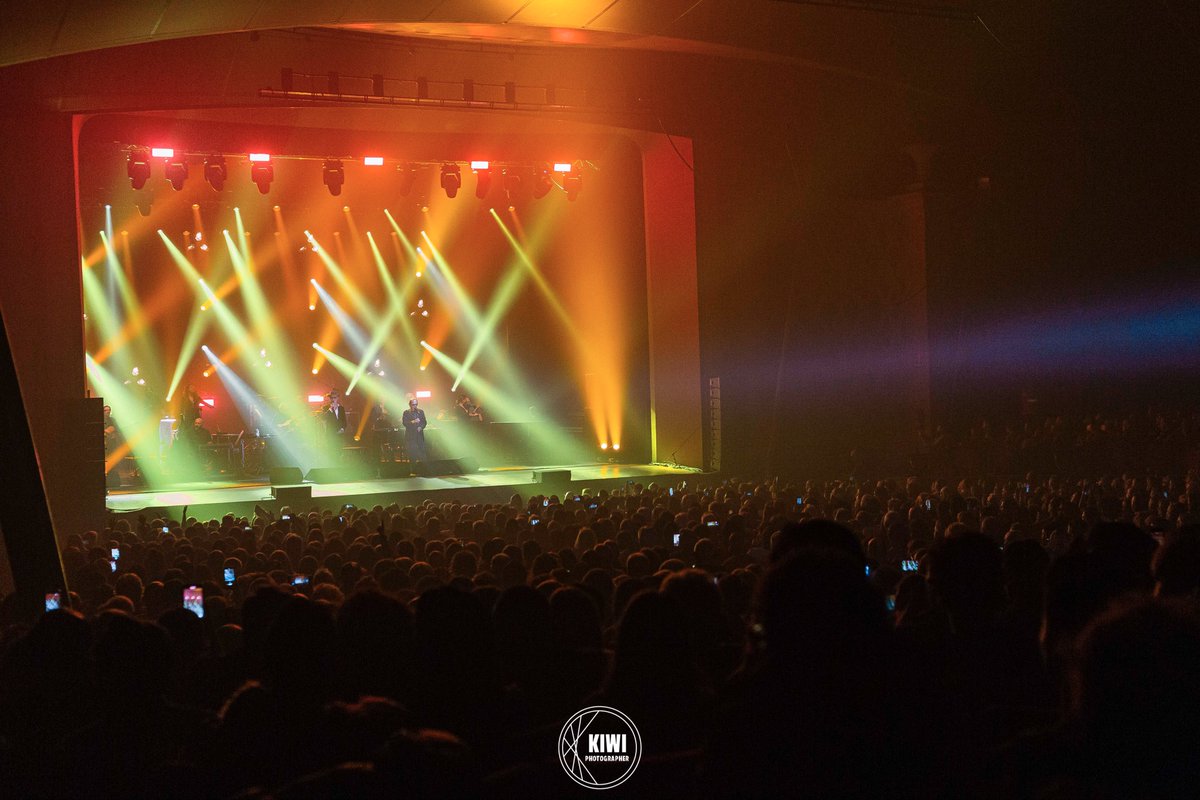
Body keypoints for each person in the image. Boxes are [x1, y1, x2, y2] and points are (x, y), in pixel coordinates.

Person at [402, 398, 427, 462]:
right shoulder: (406, 412)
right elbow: (404, 423)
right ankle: (413, 469)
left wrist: (421, 427)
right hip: (410, 436)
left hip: (419, 436)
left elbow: (424, 422)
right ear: (410, 405)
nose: (415, 406)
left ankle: (422, 468)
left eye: (416, 404)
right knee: (412, 454)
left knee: (422, 452)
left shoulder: (420, 412)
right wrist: (413, 421)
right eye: (413, 405)